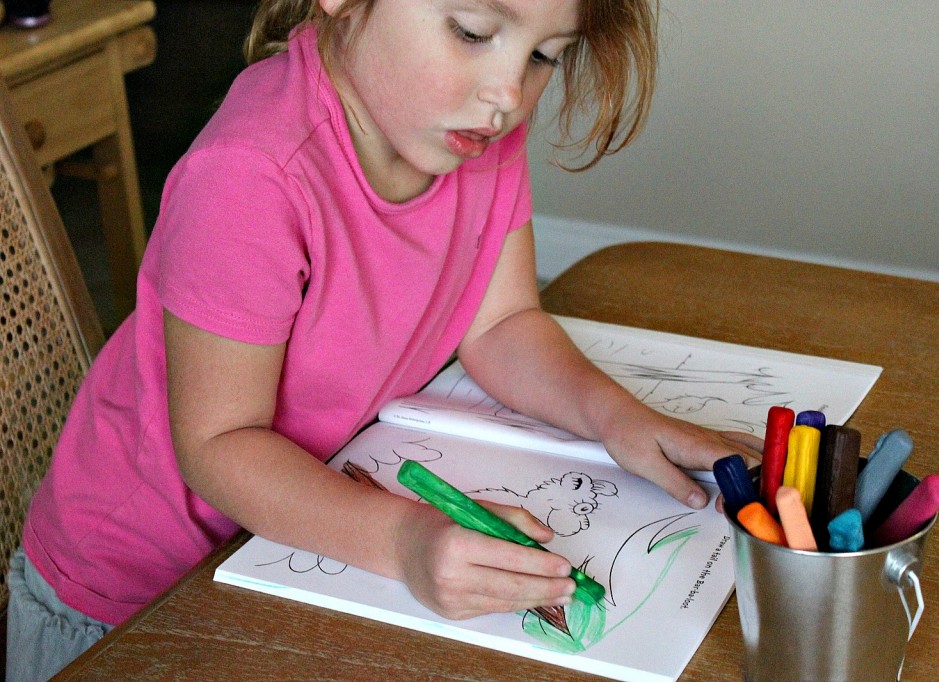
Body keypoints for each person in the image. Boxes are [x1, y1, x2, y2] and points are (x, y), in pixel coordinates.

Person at [7, 0, 762, 679]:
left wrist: (619, 422)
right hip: (130, 599)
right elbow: (219, 443)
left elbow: (501, 325)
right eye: (471, 32)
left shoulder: (469, 131)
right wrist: (406, 543)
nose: (506, 95)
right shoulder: (249, 176)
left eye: (543, 56)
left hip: (292, 542)